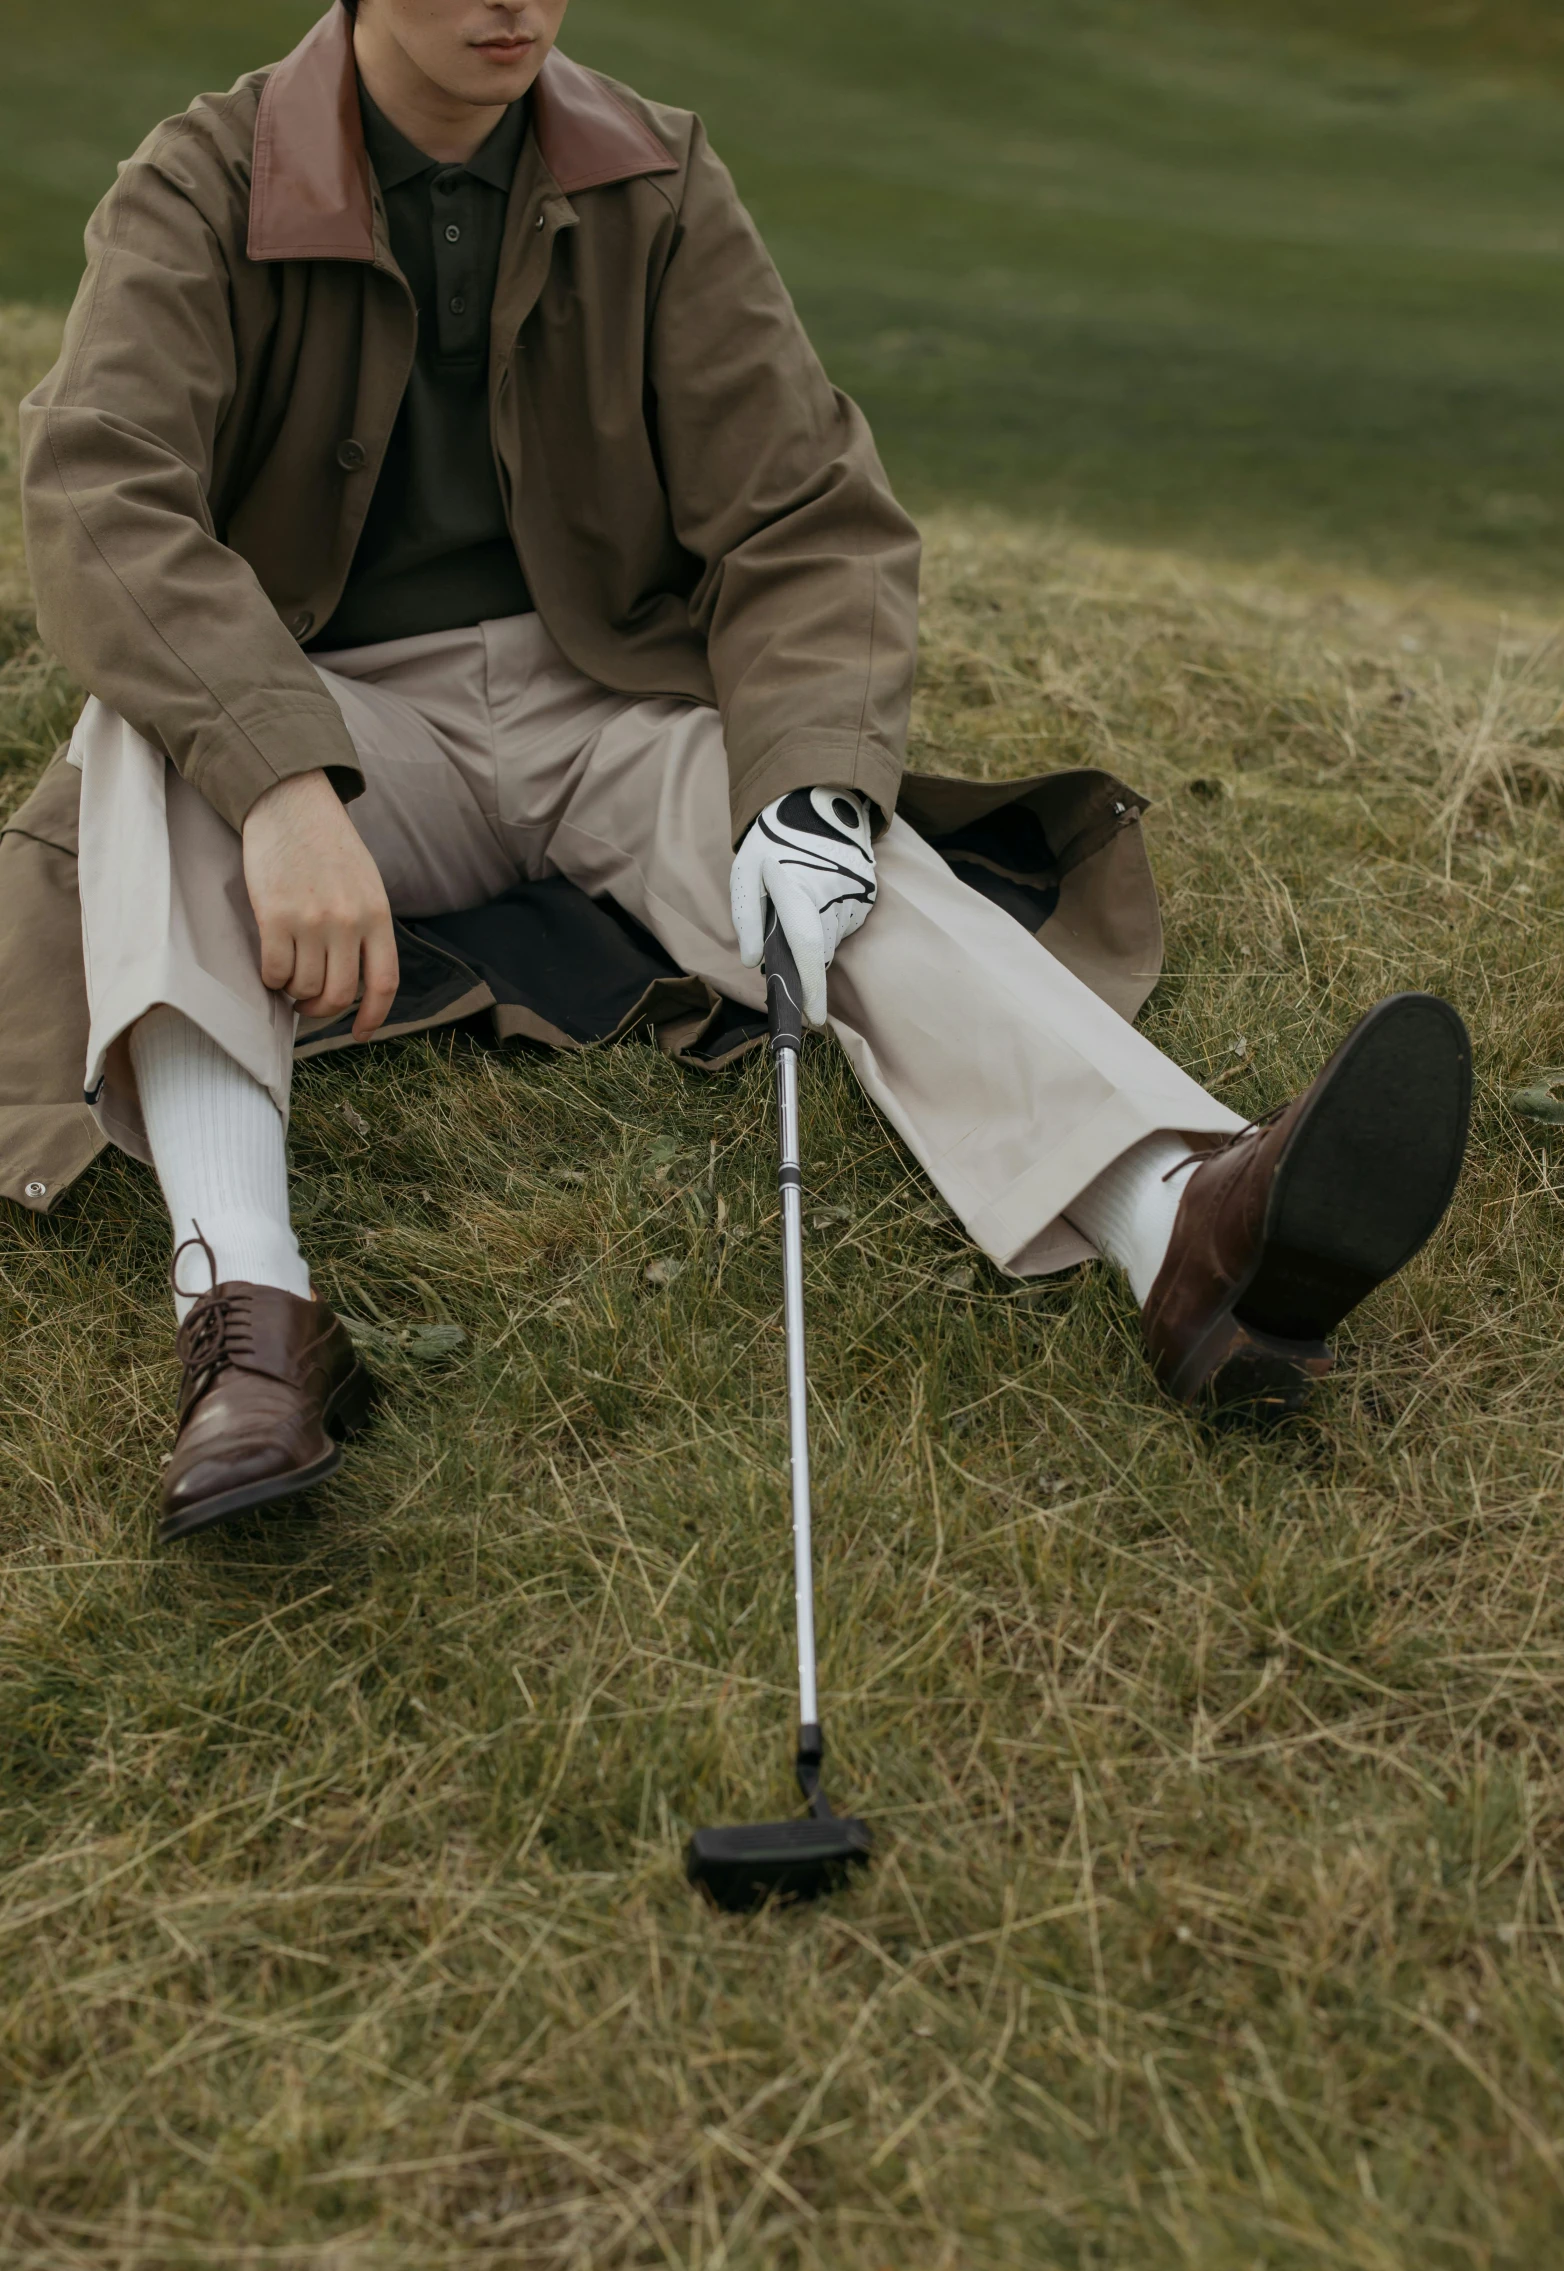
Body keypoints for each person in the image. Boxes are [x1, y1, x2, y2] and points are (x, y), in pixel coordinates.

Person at [5, 0, 1472, 1543]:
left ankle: (1177, 1226)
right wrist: (282, 788)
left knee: (837, 864)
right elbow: (106, 496)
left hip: (613, 700)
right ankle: (248, 1306)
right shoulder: (196, 181)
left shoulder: (653, 175)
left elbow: (802, 513)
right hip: (342, 719)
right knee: (153, 737)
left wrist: (821, 790)